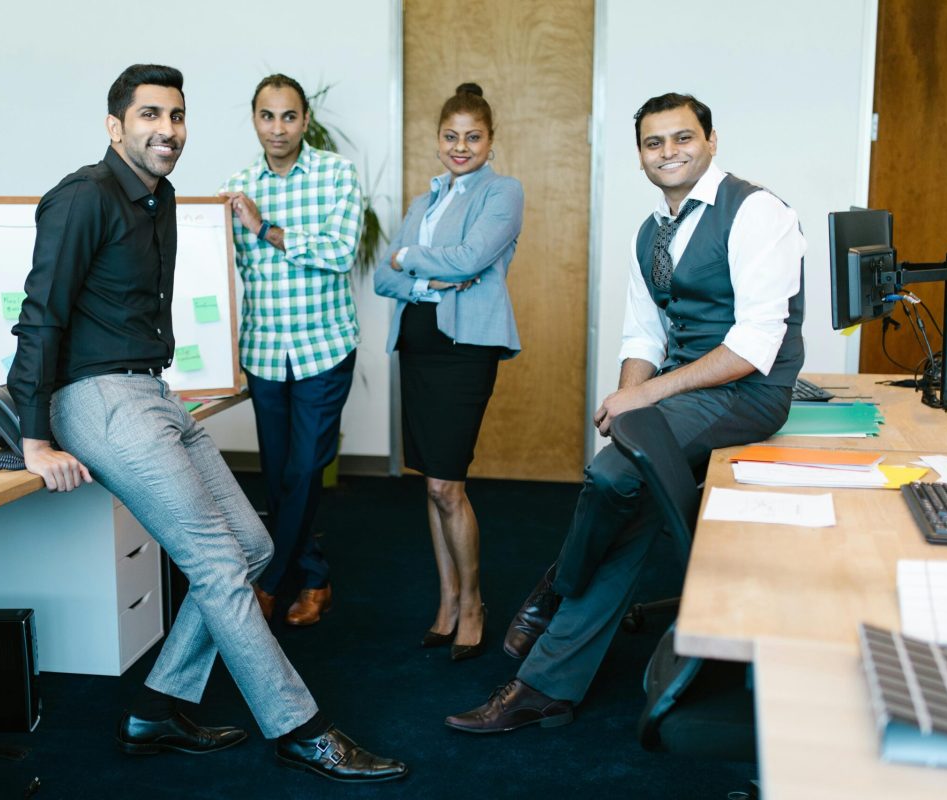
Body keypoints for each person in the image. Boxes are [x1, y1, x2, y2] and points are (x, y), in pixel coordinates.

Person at [7, 63, 406, 783]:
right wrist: (35, 437)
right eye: (150, 115)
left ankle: (155, 711)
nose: (167, 130)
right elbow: (42, 316)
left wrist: (165, 387)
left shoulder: (159, 200)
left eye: (177, 116)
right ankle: (301, 728)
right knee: (220, 566)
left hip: (152, 391)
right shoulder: (81, 198)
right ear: (115, 125)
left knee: (252, 547)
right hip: (98, 399)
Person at [446, 92, 805, 731]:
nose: (669, 152)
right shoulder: (651, 234)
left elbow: (753, 347)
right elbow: (643, 338)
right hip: (686, 389)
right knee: (632, 503)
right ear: (641, 156)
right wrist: (625, 400)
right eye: (653, 143)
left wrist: (644, 399)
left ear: (712, 140)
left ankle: (557, 589)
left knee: (613, 475)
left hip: (749, 393)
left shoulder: (757, 213)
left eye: (683, 138)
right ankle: (545, 688)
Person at [374, 83, 523, 661]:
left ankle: (473, 602)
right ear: (438, 139)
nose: (460, 147)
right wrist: (424, 279)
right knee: (431, 484)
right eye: (450, 136)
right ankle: (446, 601)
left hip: (463, 351)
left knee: (447, 483)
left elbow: (470, 260)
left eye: (473, 137)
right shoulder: (424, 201)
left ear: (490, 141)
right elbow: (382, 280)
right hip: (418, 346)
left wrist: (409, 259)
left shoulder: (503, 192)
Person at [218, 74, 363, 627]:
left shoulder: (335, 175)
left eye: (288, 116)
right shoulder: (236, 184)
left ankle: (272, 581)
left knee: (304, 469)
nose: (277, 128)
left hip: (323, 347)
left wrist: (265, 226)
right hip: (263, 350)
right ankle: (316, 577)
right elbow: (229, 270)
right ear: (254, 119)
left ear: (305, 120)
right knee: (279, 473)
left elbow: (339, 253)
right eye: (266, 116)